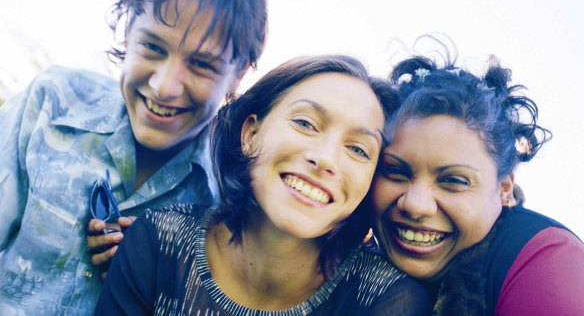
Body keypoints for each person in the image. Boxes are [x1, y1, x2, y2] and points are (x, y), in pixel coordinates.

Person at [0, 0, 267, 315]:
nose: (164, 86)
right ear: (128, 32)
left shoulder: (227, 200)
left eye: (201, 66)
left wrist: (146, 282)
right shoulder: (52, 101)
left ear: (237, 75)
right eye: (153, 48)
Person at [95, 55, 431, 315]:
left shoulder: (386, 300)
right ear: (250, 134)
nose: (326, 159)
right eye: (306, 123)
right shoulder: (158, 243)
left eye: (358, 149)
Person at [371, 54, 584, 315]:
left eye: (453, 181)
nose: (415, 205)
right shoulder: (347, 258)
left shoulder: (546, 260)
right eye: (395, 172)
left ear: (505, 188)